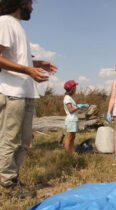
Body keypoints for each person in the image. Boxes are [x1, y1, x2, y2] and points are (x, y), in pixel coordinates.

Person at [0, 0, 57, 198]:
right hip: (12, 91)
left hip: (25, 92)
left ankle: (13, 179)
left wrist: (36, 63)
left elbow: (15, 58)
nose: (32, 7)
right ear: (21, 3)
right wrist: (27, 69)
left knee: (23, 141)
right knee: (10, 140)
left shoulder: (17, 26)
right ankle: (6, 184)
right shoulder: (5, 22)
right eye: (31, 2)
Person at [63, 80, 89, 153]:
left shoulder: (69, 97)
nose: (76, 88)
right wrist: (79, 107)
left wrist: (78, 106)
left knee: (73, 137)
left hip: (73, 119)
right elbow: (70, 110)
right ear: (72, 88)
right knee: (69, 137)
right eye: (75, 87)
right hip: (71, 120)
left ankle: (72, 152)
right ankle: (67, 154)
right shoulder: (67, 98)